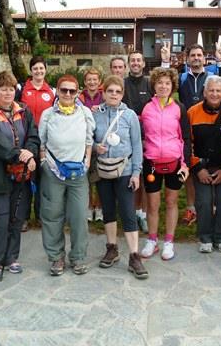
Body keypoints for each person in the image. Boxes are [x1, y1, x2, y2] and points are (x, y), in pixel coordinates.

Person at [0, 71, 40, 280]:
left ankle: (11, 258)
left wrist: (30, 152)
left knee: (16, 219)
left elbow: (33, 135)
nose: (7, 93)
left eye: (11, 89)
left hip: (22, 176)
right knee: (0, 220)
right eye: (3, 89)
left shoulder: (24, 110)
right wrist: (21, 155)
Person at [39, 75, 96, 276]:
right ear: (57, 91)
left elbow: (89, 140)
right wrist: (44, 162)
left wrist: (87, 161)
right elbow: (41, 141)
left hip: (78, 174)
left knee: (79, 216)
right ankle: (56, 257)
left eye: (72, 91)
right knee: (52, 215)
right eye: (64, 90)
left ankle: (78, 257)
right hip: (53, 172)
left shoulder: (85, 113)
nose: (68, 94)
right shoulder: (48, 115)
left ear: (77, 92)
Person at [92, 75, 148, 279]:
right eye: (110, 91)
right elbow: (89, 139)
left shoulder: (130, 115)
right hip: (103, 170)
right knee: (108, 209)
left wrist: (136, 172)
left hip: (124, 170)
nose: (114, 95)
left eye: (118, 91)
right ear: (104, 93)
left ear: (122, 94)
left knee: (127, 211)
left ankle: (134, 255)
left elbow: (137, 145)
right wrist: (95, 147)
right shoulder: (95, 114)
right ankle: (112, 248)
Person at [140, 67, 191, 261]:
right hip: (152, 162)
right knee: (152, 204)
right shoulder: (146, 107)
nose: (163, 86)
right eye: (159, 83)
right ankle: (152, 240)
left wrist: (185, 165)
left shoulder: (179, 108)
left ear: (172, 86)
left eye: (167, 83)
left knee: (171, 201)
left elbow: (186, 137)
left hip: (174, 162)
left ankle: (169, 241)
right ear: (154, 85)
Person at [177, 44, 221, 227]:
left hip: (212, 122)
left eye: (199, 55)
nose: (196, 58)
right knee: (191, 169)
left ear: (204, 58)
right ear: (188, 58)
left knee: (213, 164)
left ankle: (212, 206)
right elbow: (165, 84)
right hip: (189, 122)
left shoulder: (211, 76)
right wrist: (166, 61)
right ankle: (191, 207)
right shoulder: (183, 77)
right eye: (193, 55)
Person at [187, 75, 221, 254]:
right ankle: (205, 237)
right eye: (211, 90)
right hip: (201, 168)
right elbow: (187, 143)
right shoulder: (192, 112)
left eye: (218, 90)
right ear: (204, 92)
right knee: (204, 202)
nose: (214, 94)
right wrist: (197, 168)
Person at [16, 56, 56, 231]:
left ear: (45, 70)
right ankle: (23, 217)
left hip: (45, 141)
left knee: (42, 179)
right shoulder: (22, 89)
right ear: (31, 70)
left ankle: (40, 216)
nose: (39, 71)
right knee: (25, 178)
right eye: (35, 68)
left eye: (41, 68)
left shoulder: (52, 91)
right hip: (25, 139)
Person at [123, 51, 153, 234]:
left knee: (147, 178)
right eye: (132, 60)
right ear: (129, 63)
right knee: (131, 177)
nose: (135, 63)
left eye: (138, 60)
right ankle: (132, 213)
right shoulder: (123, 84)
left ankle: (144, 214)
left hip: (148, 138)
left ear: (143, 64)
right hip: (127, 139)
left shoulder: (149, 83)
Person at [78, 67, 104, 222]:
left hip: (100, 140)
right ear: (85, 82)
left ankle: (99, 207)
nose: (92, 82)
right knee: (86, 178)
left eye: (95, 79)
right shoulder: (79, 98)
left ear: (99, 81)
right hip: (83, 141)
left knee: (100, 177)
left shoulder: (104, 96)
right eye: (89, 80)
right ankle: (88, 207)